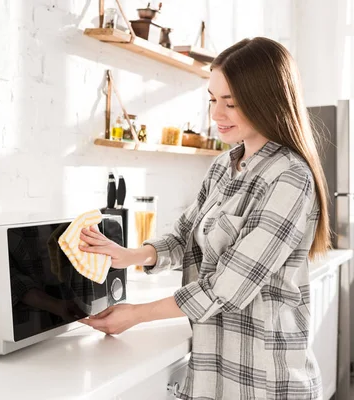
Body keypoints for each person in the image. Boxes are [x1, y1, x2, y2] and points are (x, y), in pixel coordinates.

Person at [78, 37, 330, 400]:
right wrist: (131, 254)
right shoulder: (222, 168)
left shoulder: (289, 177)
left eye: (232, 103)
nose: (216, 114)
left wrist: (136, 314)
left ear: (267, 101)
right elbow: (184, 236)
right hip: (214, 372)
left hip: (266, 379)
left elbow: (229, 286)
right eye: (213, 99)